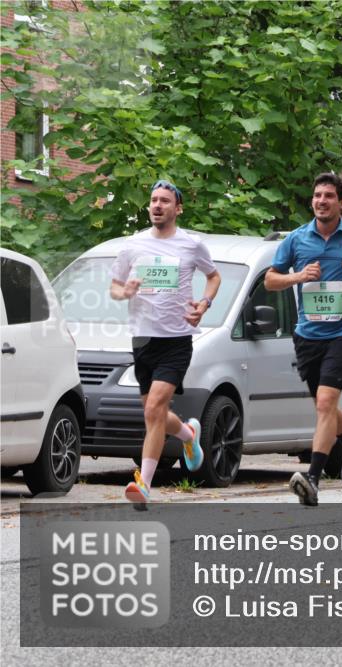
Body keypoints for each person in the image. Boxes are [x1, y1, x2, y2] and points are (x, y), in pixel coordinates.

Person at [266, 172, 342, 506]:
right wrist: (298, 276)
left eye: (328, 196)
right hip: (307, 336)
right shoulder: (297, 240)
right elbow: (270, 281)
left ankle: (312, 478)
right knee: (325, 406)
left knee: (326, 404)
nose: (321, 201)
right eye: (317, 196)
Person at [110, 180, 221, 508]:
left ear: (178, 208)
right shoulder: (133, 245)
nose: (157, 205)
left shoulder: (191, 244)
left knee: (155, 408)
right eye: (153, 200)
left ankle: (143, 485)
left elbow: (213, 276)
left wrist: (204, 304)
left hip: (176, 340)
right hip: (143, 339)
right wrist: (126, 292)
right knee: (154, 412)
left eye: (165, 201)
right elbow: (114, 287)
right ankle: (188, 434)